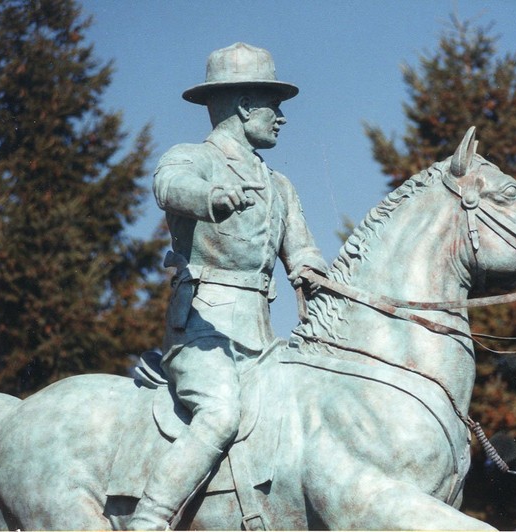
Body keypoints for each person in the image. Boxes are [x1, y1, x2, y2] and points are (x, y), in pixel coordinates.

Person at [129, 42, 327, 530]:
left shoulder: (280, 186)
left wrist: (315, 273)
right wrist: (210, 197)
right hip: (201, 333)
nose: (281, 117)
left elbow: (302, 252)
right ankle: (148, 521)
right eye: (273, 106)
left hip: (262, 341)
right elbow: (168, 187)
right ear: (243, 106)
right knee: (219, 415)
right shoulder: (192, 157)